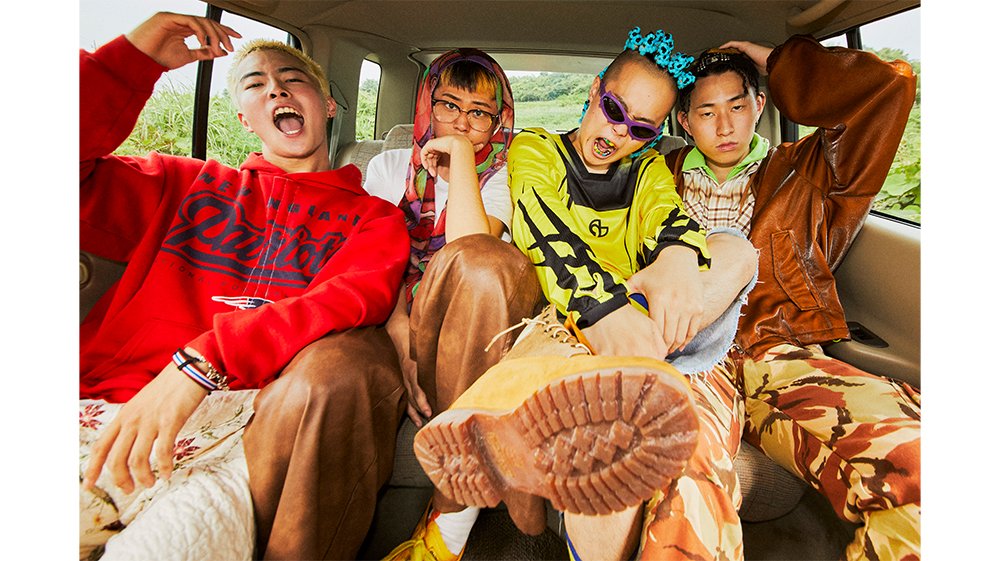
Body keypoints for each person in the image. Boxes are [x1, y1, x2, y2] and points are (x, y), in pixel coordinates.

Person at [409, 27, 760, 561]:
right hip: (569, 318)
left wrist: (677, 258)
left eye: (641, 128)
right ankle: (576, 388)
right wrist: (603, 311)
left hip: (644, 321)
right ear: (596, 90)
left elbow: (667, 216)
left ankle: (599, 379)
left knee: (736, 249)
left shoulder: (646, 169)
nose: (619, 134)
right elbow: (542, 228)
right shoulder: (537, 149)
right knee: (598, 402)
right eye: (615, 110)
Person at [78, 11, 410, 560]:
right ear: (244, 118)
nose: (276, 88)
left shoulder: (374, 219)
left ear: (328, 105)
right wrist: (131, 61)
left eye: (293, 78)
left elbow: (351, 297)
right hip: (108, 406)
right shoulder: (179, 183)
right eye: (256, 85)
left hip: (241, 434)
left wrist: (204, 359)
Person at [628, 37, 920, 561]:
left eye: (738, 106)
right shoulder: (653, 178)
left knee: (916, 459)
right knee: (677, 479)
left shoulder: (811, 170)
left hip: (778, 348)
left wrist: (775, 59)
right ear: (685, 122)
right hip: (686, 353)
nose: (725, 126)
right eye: (707, 113)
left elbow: (886, 90)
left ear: (760, 104)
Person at [362, 50, 544, 561]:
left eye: (479, 112)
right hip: (394, 313)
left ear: (498, 120)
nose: (463, 122)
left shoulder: (507, 175)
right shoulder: (388, 167)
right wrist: (398, 329)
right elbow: (373, 260)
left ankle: (449, 518)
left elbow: (473, 253)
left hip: (472, 321)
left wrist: (461, 158)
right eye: (448, 105)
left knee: (486, 266)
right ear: (427, 105)